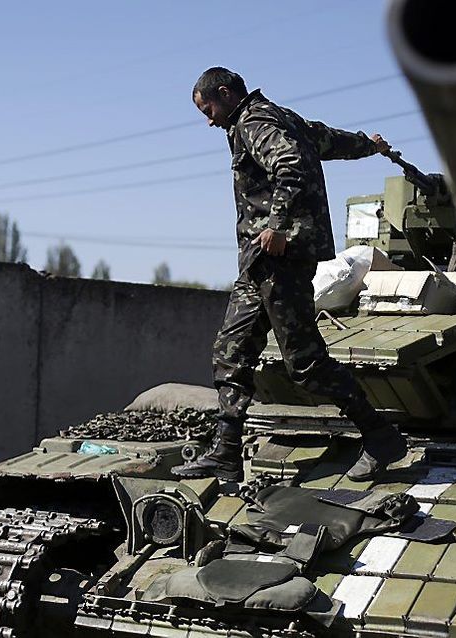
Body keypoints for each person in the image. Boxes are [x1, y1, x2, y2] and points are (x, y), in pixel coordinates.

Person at [172, 67, 407, 482]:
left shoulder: (254, 121)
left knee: (305, 363)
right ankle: (226, 450)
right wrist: (367, 146)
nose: (209, 120)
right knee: (232, 351)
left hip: (281, 256)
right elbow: (326, 139)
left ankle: (379, 434)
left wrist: (278, 225)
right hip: (259, 262)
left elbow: (291, 162)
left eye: (208, 109)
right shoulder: (280, 116)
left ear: (224, 94)